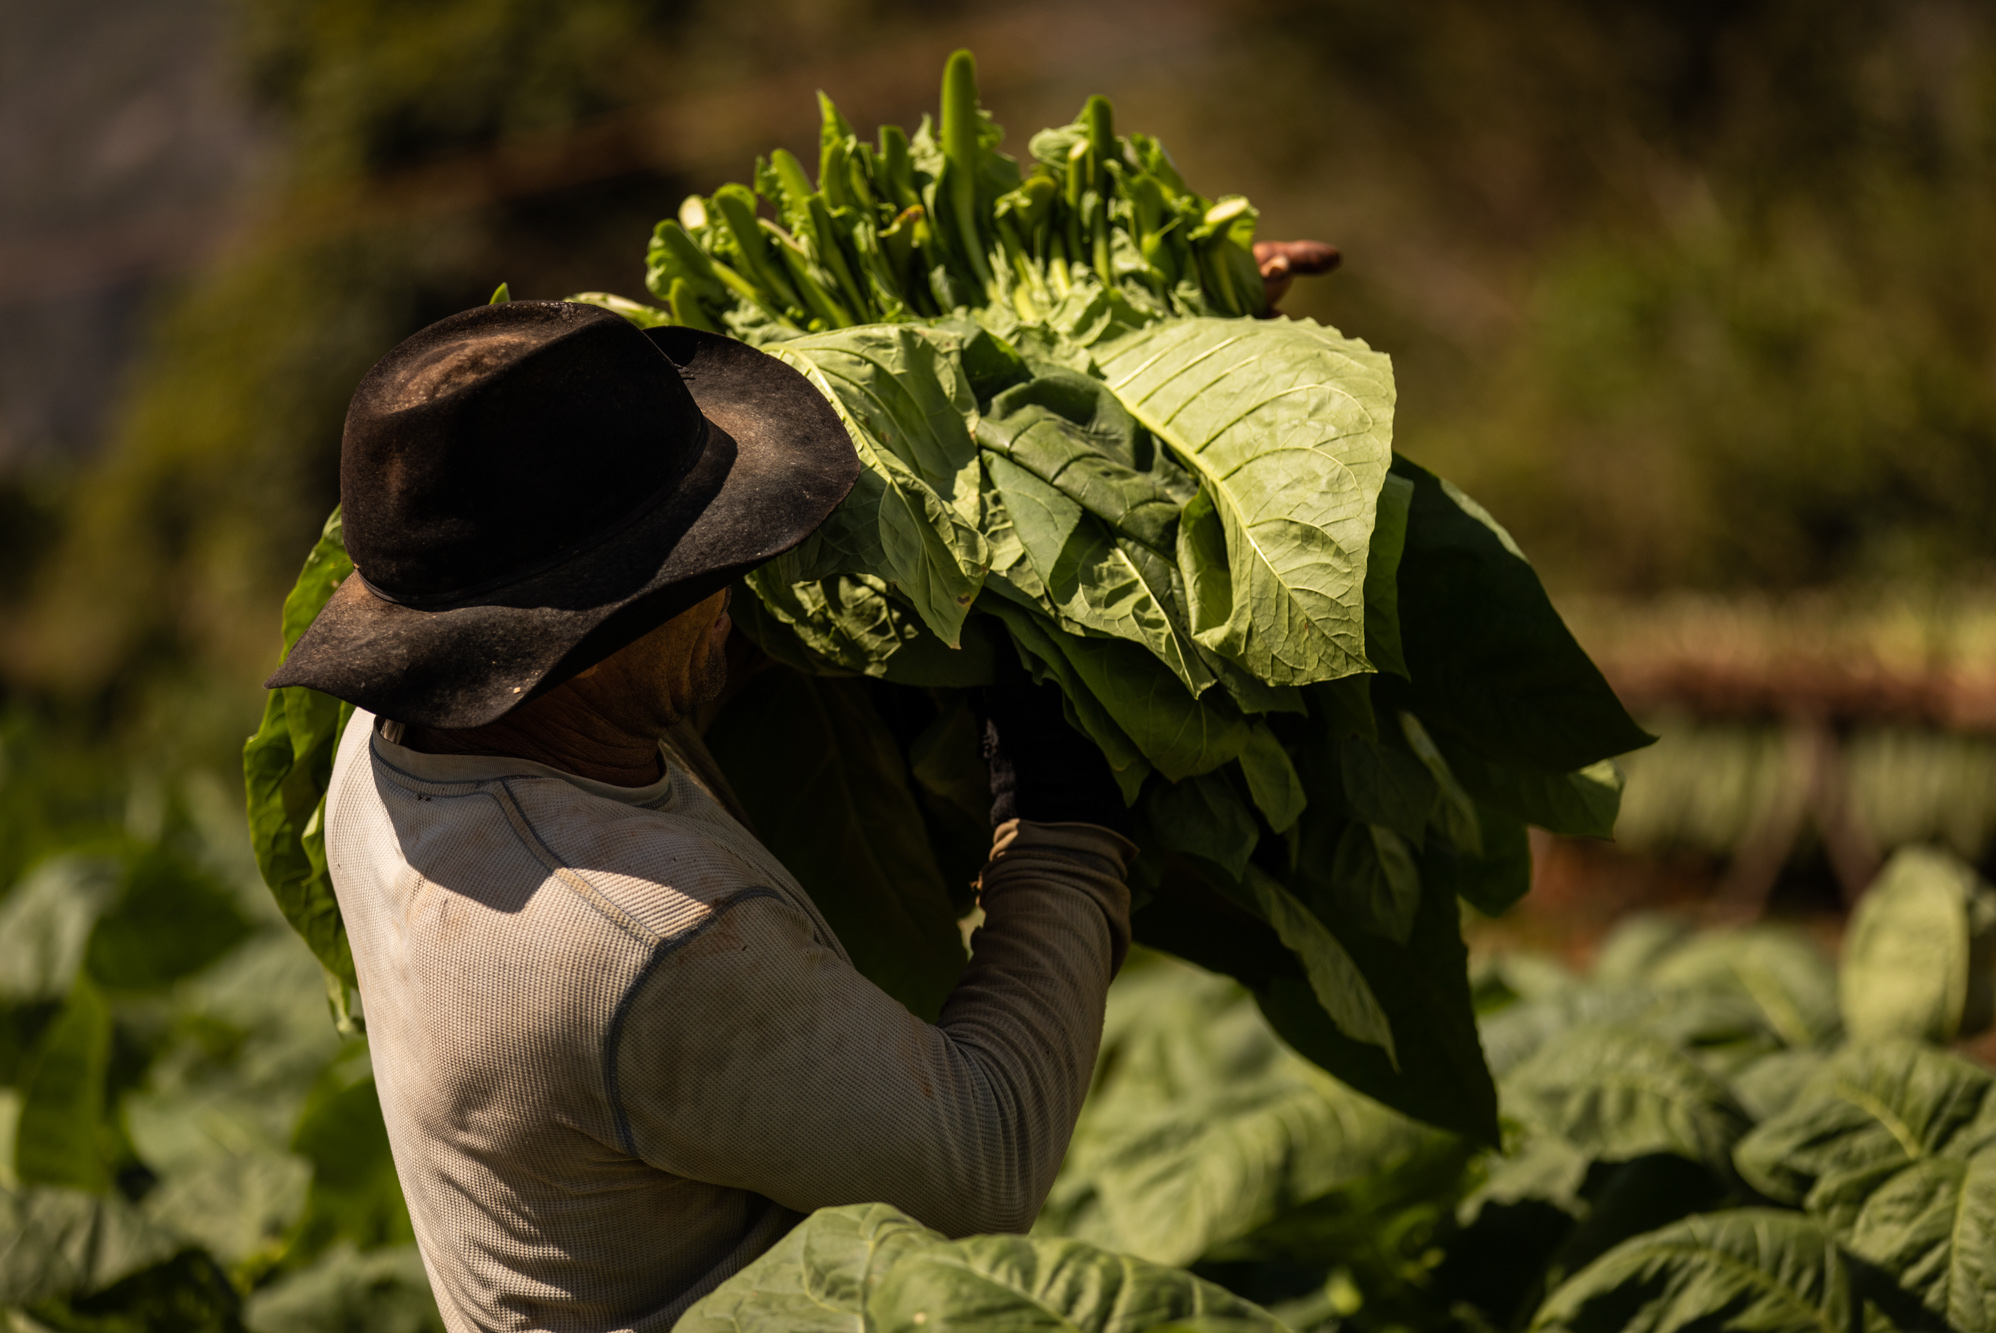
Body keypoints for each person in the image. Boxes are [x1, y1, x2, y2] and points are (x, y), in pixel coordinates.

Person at [270, 241, 1335, 1330]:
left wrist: (1138, 327)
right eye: (694, 565)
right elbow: (982, 1163)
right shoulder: (644, 940)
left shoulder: (394, 743)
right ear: (580, 635)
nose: (735, 584)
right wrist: (1062, 828)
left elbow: (676, 675)